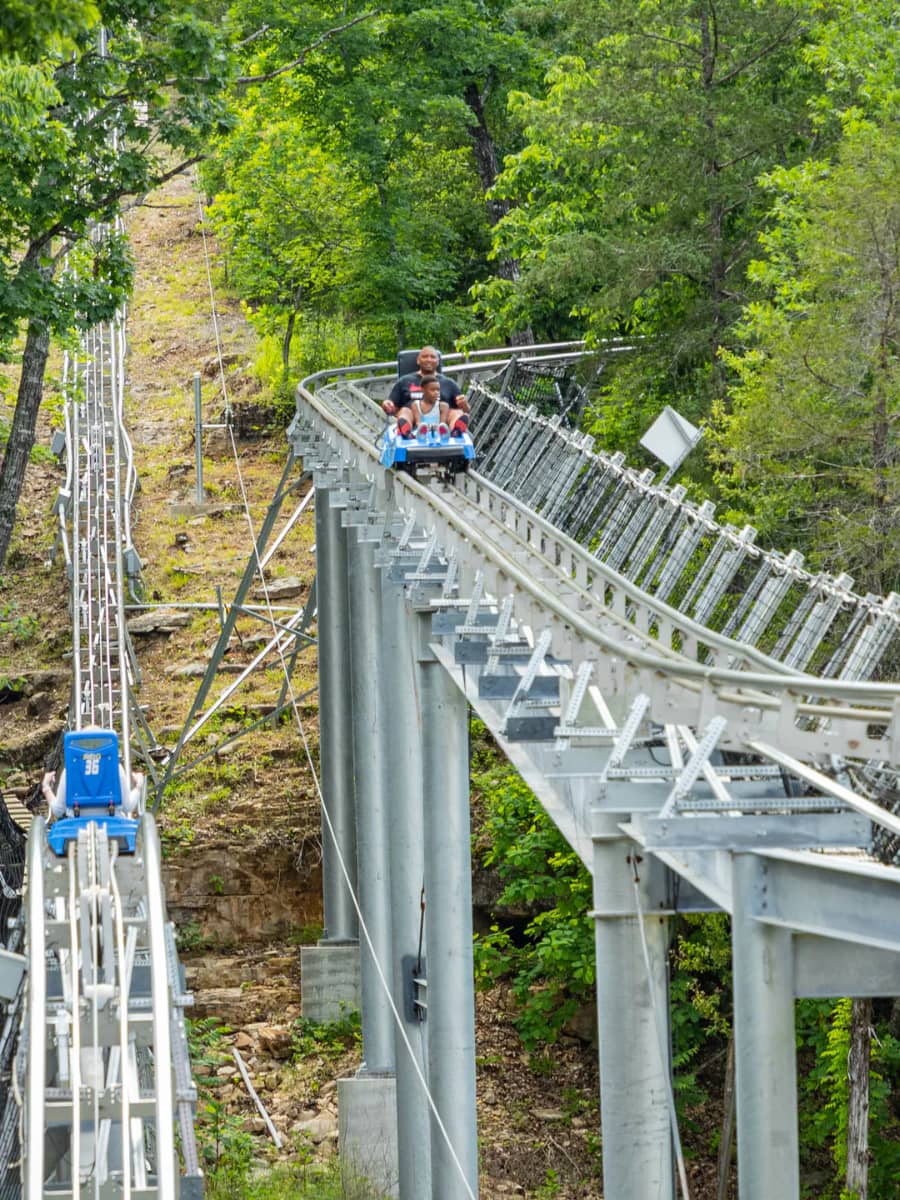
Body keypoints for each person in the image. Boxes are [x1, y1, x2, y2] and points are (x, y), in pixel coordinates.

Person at [383, 346, 470, 438]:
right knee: (404, 412)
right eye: (425, 357)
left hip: (442, 420)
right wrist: (388, 405)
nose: (429, 360)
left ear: (438, 361)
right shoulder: (404, 381)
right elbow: (393, 407)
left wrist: (464, 404)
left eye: (433, 357)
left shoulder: (449, 383)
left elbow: (466, 409)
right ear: (418, 360)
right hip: (414, 419)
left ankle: (456, 431)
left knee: (457, 413)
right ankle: (406, 432)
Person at [41, 762, 144, 821]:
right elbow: (128, 806)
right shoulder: (116, 767)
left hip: (76, 826)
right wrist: (138, 786)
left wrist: (46, 788)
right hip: (114, 824)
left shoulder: (70, 769)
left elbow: (58, 810)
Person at [408, 375, 469, 440]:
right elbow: (418, 423)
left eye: (438, 390)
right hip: (422, 432)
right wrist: (425, 428)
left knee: (443, 431)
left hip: (438, 433)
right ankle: (411, 435)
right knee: (418, 431)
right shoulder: (415, 404)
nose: (436, 392)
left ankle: (455, 432)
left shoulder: (443, 406)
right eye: (432, 390)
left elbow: (442, 424)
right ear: (423, 390)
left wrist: (436, 428)